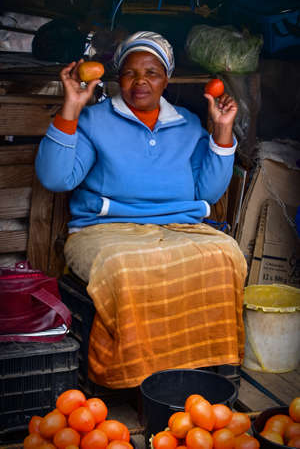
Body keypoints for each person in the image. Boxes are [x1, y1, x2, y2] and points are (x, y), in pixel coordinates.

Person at [36, 31, 247, 389]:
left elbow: (208, 190)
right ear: (119, 77)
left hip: (178, 227)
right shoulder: (94, 121)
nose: (141, 82)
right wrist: (72, 106)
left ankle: (206, 365)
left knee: (225, 253)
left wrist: (223, 131)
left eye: (152, 72)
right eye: (131, 73)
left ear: (166, 79)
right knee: (124, 266)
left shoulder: (187, 125)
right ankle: (132, 376)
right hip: (104, 229)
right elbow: (55, 178)